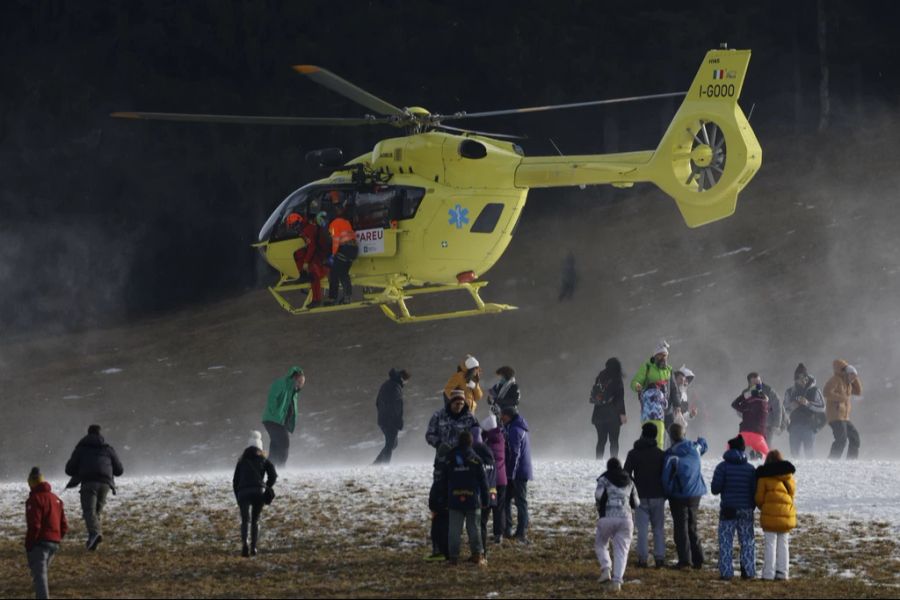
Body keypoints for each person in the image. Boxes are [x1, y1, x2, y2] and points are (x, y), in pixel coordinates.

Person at [425, 388, 479, 561]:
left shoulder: (470, 418)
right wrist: (438, 444)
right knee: (440, 504)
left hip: (462, 468)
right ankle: (440, 546)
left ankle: (467, 548)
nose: (459, 405)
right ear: (450, 402)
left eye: (462, 403)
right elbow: (429, 435)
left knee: (460, 503)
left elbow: (477, 439)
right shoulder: (438, 415)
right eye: (456, 402)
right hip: (442, 466)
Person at [64, 424, 124, 551]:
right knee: (96, 513)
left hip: (88, 483)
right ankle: (93, 539)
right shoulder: (108, 449)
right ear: (100, 434)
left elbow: (69, 469)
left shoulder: (81, 449)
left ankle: (94, 534)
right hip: (105, 484)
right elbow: (119, 470)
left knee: (89, 511)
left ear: (88, 433)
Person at [711, 435, 757, 581]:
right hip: (746, 509)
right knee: (747, 541)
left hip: (728, 509)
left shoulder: (722, 467)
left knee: (726, 541)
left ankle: (726, 572)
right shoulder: (751, 469)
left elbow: (715, 489)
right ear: (744, 449)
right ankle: (748, 571)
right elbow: (755, 491)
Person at [662, 423, 707, 569]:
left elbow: (665, 478)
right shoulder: (695, 448)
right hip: (695, 493)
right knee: (692, 526)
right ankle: (698, 558)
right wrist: (700, 438)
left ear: (671, 436)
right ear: (684, 434)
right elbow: (704, 445)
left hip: (678, 495)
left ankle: (685, 560)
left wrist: (667, 493)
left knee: (681, 528)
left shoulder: (670, 455)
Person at [623, 423, 666, 569]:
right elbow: (665, 475)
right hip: (658, 495)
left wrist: (635, 485)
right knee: (658, 529)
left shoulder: (633, 453)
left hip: (640, 495)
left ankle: (642, 559)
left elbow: (626, 474)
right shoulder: (661, 454)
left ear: (642, 434)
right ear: (655, 436)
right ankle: (660, 558)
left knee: (642, 530)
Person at [443, 431, 490, 566]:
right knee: (474, 528)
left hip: (454, 499)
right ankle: (477, 555)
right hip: (472, 499)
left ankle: (453, 557)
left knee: (454, 530)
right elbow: (483, 482)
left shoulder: (450, 458)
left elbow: (444, 480)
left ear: (459, 442)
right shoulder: (476, 459)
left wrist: (444, 498)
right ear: (471, 442)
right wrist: (485, 500)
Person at [594, 457, 639, 592]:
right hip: (626, 519)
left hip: (607, 517)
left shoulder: (604, 479)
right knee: (621, 551)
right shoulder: (630, 481)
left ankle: (606, 568)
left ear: (608, 467)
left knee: (601, 543)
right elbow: (636, 503)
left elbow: (598, 495)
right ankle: (617, 581)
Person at [232, 431, 277, 557]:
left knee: (245, 520)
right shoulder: (263, 460)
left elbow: (235, 481)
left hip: (243, 492)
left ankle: (244, 543)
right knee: (255, 520)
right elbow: (273, 475)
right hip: (258, 492)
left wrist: (238, 497)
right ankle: (253, 547)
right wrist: (267, 486)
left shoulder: (241, 461)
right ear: (260, 447)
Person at [25, 467, 67, 600]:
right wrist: (57, 537)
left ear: (31, 483)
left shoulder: (34, 500)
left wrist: (29, 544)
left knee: (40, 576)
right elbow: (64, 525)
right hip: (54, 542)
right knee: (40, 574)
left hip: (40, 543)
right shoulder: (56, 499)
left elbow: (35, 525)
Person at [755, 449, 796, 581]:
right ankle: (783, 573)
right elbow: (792, 494)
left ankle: (768, 574)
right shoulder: (788, 476)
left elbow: (759, 498)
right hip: (786, 514)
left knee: (770, 544)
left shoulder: (763, 477)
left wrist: (764, 507)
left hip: (770, 515)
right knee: (784, 544)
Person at [631, 341, 676, 448]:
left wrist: (677, 405)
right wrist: (637, 386)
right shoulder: (647, 366)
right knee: (648, 433)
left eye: (665, 356)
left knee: (661, 435)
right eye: (661, 355)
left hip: (664, 408)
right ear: (655, 356)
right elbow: (635, 382)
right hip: (648, 407)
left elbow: (674, 389)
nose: (663, 358)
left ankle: (658, 456)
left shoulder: (669, 369)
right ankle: (644, 455)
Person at [261, 366, 304, 468]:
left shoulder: (293, 392)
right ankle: (280, 467)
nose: (301, 384)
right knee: (284, 443)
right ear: (294, 378)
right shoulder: (281, 384)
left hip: (280, 421)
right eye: (300, 381)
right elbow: (272, 398)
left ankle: (268, 467)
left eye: (303, 382)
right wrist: (275, 413)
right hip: (274, 419)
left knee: (276, 445)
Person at [502, 405, 533, 543]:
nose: (501, 418)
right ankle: (508, 529)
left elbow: (515, 453)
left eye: (503, 415)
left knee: (520, 502)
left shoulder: (515, 430)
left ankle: (520, 532)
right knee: (507, 500)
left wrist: (510, 473)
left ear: (508, 415)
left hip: (517, 473)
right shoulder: (518, 427)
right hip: (519, 471)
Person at [783, 363, 827, 458]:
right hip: (794, 426)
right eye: (799, 378)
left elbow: (822, 407)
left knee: (810, 455)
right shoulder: (790, 391)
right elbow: (784, 410)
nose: (803, 380)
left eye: (804, 378)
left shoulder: (815, 390)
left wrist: (808, 403)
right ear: (796, 379)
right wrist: (792, 407)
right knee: (794, 455)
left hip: (809, 427)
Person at [287, 212, 330, 309]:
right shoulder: (305, 229)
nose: (294, 228)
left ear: (299, 222)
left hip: (321, 260)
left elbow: (312, 247)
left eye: (294, 225)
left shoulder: (308, 230)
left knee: (313, 275)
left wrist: (306, 262)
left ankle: (316, 300)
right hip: (319, 256)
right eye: (292, 227)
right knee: (298, 253)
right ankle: (303, 275)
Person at [824, 360, 864, 459]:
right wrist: (842, 398)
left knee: (855, 438)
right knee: (841, 439)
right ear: (845, 372)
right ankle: (832, 460)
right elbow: (826, 392)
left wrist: (855, 378)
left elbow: (858, 392)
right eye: (851, 374)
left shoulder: (848, 383)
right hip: (835, 416)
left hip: (845, 417)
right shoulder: (835, 380)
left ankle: (851, 461)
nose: (852, 377)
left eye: (853, 375)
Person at [590, 358, 627, 460]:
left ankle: (598, 461)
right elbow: (620, 398)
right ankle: (614, 461)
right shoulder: (617, 378)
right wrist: (622, 414)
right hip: (613, 415)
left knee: (601, 440)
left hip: (598, 414)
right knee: (614, 441)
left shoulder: (600, 376)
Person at [480, 415, 507, 545]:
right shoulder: (500, 438)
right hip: (502, 479)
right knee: (499, 509)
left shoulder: (489, 443)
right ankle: (498, 534)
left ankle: (482, 531)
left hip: (491, 479)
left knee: (486, 507)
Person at [374, 368, 409, 465]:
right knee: (390, 444)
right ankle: (384, 465)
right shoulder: (395, 387)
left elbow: (377, 402)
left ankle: (376, 464)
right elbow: (396, 406)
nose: (406, 383)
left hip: (383, 419)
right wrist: (397, 421)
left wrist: (381, 413)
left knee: (393, 444)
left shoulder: (388, 384)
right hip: (390, 420)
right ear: (402, 379)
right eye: (406, 380)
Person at [326, 205, 358, 305]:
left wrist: (333, 255)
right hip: (353, 250)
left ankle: (336, 298)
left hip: (345, 249)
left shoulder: (334, 224)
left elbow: (335, 240)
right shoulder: (346, 222)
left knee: (337, 273)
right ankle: (343, 297)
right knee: (339, 272)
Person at [732, 377, 770, 458]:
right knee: (766, 454)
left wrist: (743, 397)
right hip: (758, 435)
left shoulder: (746, 404)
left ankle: (744, 453)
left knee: (732, 449)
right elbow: (771, 409)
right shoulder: (765, 404)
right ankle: (759, 455)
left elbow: (734, 404)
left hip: (743, 433)